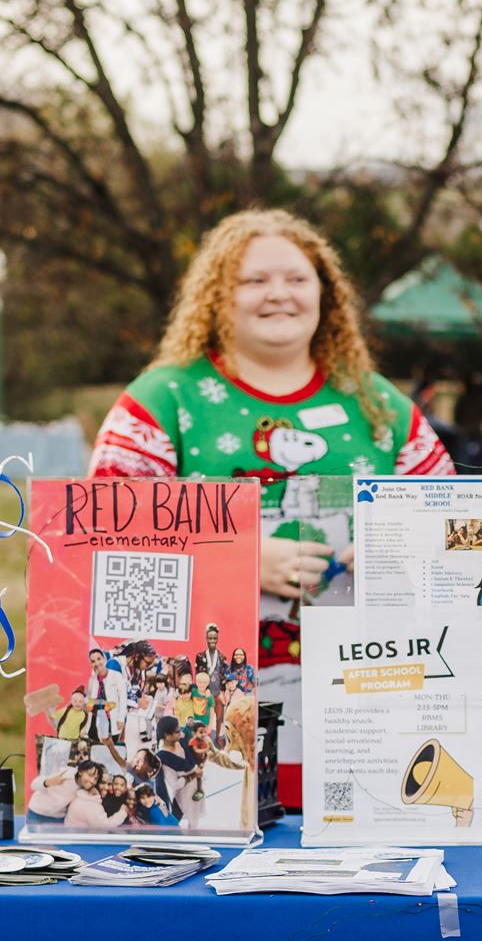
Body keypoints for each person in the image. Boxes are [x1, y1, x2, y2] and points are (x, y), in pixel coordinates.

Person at [86, 207, 455, 808]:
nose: (277, 294)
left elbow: (454, 530)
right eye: (254, 281)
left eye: (296, 278)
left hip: (366, 719)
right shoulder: (161, 402)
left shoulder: (378, 405)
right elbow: (102, 551)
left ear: (324, 294)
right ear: (216, 296)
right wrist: (238, 564)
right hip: (201, 727)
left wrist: (400, 550)